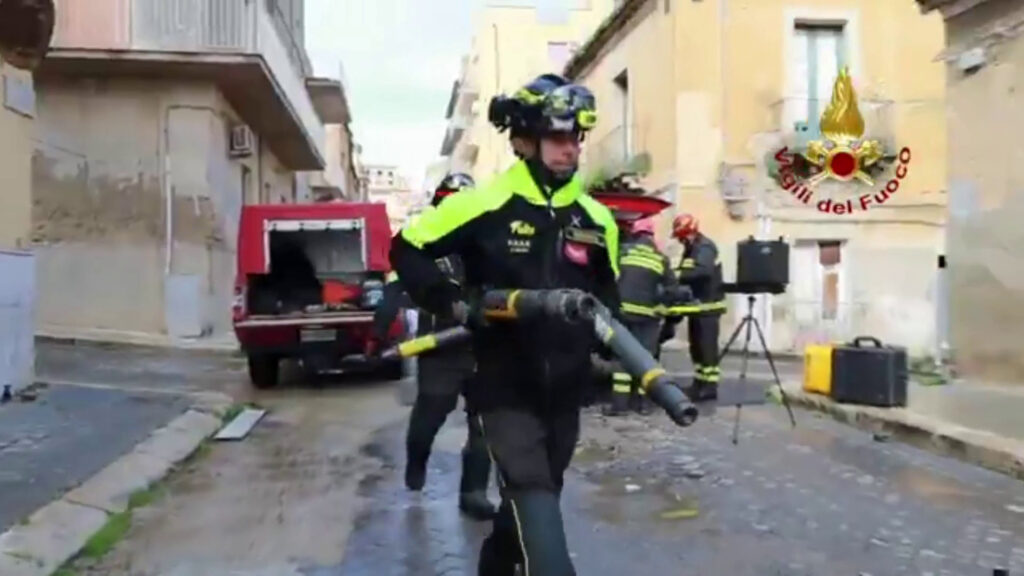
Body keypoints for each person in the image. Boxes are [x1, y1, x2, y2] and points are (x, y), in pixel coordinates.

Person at [391, 81, 617, 576]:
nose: (569, 149)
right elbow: (406, 247)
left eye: (575, 138)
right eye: (556, 137)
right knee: (534, 498)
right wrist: (451, 303)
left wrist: (612, 355)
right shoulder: (484, 203)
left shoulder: (598, 219)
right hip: (503, 388)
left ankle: (493, 566)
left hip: (565, 396)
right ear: (524, 141)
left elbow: (608, 300)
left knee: (533, 503)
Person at [367, 172, 497, 521]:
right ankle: (416, 466)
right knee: (430, 414)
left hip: (486, 348)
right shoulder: (422, 243)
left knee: (484, 423)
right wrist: (378, 334)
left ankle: (473, 493)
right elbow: (393, 291)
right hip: (441, 349)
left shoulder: (490, 242)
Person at [604, 216, 681, 416]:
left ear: (634, 233)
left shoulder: (623, 251)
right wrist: (662, 306)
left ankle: (619, 406)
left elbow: (609, 276)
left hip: (623, 313)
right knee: (645, 359)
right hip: (648, 316)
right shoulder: (660, 258)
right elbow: (673, 290)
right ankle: (642, 404)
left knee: (622, 356)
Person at [670, 213, 726, 401]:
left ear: (690, 232)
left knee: (707, 348)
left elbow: (703, 271)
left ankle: (710, 387)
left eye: (681, 236)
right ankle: (699, 383)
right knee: (696, 347)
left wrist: (679, 276)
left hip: (709, 306)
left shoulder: (705, 247)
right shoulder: (692, 248)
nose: (680, 240)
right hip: (697, 307)